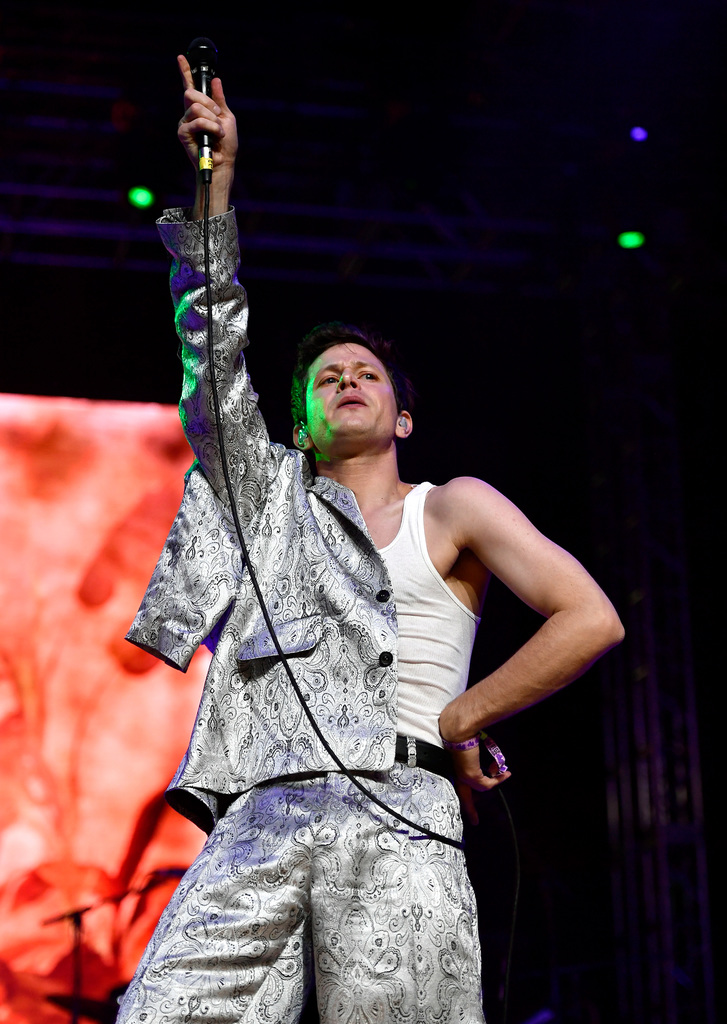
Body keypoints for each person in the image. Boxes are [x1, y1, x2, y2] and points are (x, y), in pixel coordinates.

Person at [115, 57, 624, 1024]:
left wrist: (463, 719)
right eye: (326, 377)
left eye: (368, 375)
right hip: (259, 815)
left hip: (400, 802)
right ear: (299, 424)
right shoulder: (266, 498)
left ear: (402, 417)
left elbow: (589, 618)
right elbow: (210, 352)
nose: (347, 380)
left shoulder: (452, 506)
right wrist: (216, 182)